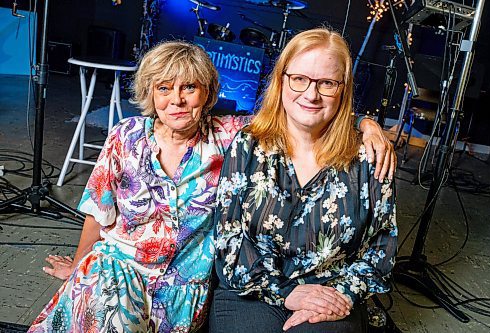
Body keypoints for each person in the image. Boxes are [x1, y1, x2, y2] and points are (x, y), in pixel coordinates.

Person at [29, 39, 394, 333]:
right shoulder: (125, 136)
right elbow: (98, 210)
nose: (176, 99)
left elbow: (301, 112)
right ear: (150, 92)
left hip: (180, 291)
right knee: (108, 315)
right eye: (164, 88)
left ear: (207, 94)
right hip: (118, 267)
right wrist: (79, 268)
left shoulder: (229, 137)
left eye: (189, 87)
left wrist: (365, 123)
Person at [210, 28, 398, 333]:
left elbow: (381, 249)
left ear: (343, 89)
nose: (311, 94)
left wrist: (343, 295)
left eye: (326, 83)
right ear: (282, 80)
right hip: (250, 289)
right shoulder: (248, 145)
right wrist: (285, 291)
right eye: (299, 79)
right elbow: (228, 239)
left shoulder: (370, 157)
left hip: (330, 294)